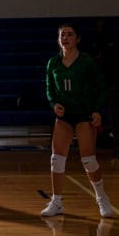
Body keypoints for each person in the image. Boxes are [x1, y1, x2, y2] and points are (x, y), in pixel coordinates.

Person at [41, 23, 113, 219]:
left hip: (84, 115)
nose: (65, 37)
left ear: (78, 39)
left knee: (88, 160)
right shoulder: (53, 64)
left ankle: (101, 198)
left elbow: (101, 87)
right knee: (56, 159)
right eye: (62, 34)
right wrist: (54, 104)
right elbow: (50, 90)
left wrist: (97, 110)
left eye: (70, 34)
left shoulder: (86, 61)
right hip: (64, 117)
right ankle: (57, 202)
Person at [90, 19, 119, 158]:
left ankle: (117, 147)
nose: (100, 28)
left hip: (110, 85)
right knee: (91, 118)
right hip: (96, 87)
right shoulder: (93, 45)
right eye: (98, 26)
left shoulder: (112, 45)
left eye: (102, 26)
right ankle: (91, 149)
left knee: (113, 118)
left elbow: (117, 65)